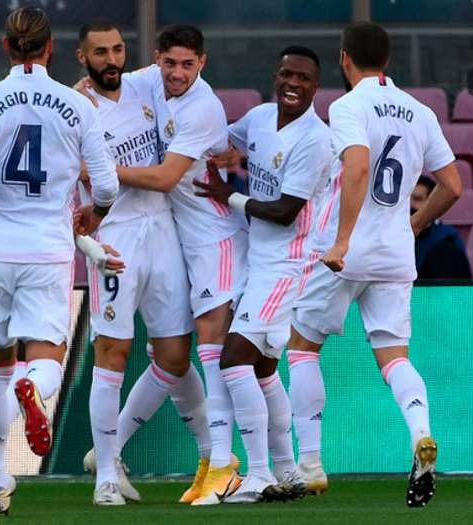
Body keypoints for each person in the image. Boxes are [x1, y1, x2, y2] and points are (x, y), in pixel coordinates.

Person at [0, 7, 119, 516]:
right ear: (50, 47)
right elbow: (106, 184)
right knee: (44, 357)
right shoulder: (76, 105)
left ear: (8, 49)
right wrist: (95, 214)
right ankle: (32, 386)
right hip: (47, 251)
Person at [285, 22, 462, 507]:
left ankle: (311, 465)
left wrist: (341, 241)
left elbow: (358, 167)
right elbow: (452, 184)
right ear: (388, 60)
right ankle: (420, 433)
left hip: (348, 250)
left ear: (345, 59)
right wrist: (417, 224)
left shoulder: (346, 106)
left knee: (302, 348)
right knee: (395, 357)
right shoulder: (419, 110)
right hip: (394, 251)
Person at [95, 24, 249, 506]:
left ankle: (231, 463)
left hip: (216, 239)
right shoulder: (148, 82)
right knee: (176, 357)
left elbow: (163, 179)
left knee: (215, 356)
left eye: (188, 65)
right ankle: (212, 458)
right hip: (179, 238)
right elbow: (96, 84)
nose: (177, 73)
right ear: (157, 58)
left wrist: (99, 170)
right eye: (170, 63)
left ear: (202, 63)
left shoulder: (202, 107)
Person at [73, 21, 209, 506]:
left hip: (163, 230)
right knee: (111, 352)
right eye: (100, 53)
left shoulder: (146, 82)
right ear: (81, 57)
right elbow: (68, 188)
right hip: (115, 238)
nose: (111, 60)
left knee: (174, 356)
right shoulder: (76, 107)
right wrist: (85, 244)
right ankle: (106, 475)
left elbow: (186, 72)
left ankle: (211, 459)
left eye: (117, 49)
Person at [193, 46, 332, 503]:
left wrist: (225, 193)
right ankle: (288, 471)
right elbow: (220, 142)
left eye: (304, 78)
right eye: (287, 74)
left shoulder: (315, 139)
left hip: (288, 265)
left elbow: (285, 211)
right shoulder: (258, 118)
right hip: (261, 260)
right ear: (277, 76)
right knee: (266, 370)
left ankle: (255, 474)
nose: (293, 83)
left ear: (316, 85)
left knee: (233, 361)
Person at [411, 175, 471, 280]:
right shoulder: (394, 236)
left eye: (417, 199)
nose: (409, 205)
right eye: (405, 199)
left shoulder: (445, 244)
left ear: (432, 204)